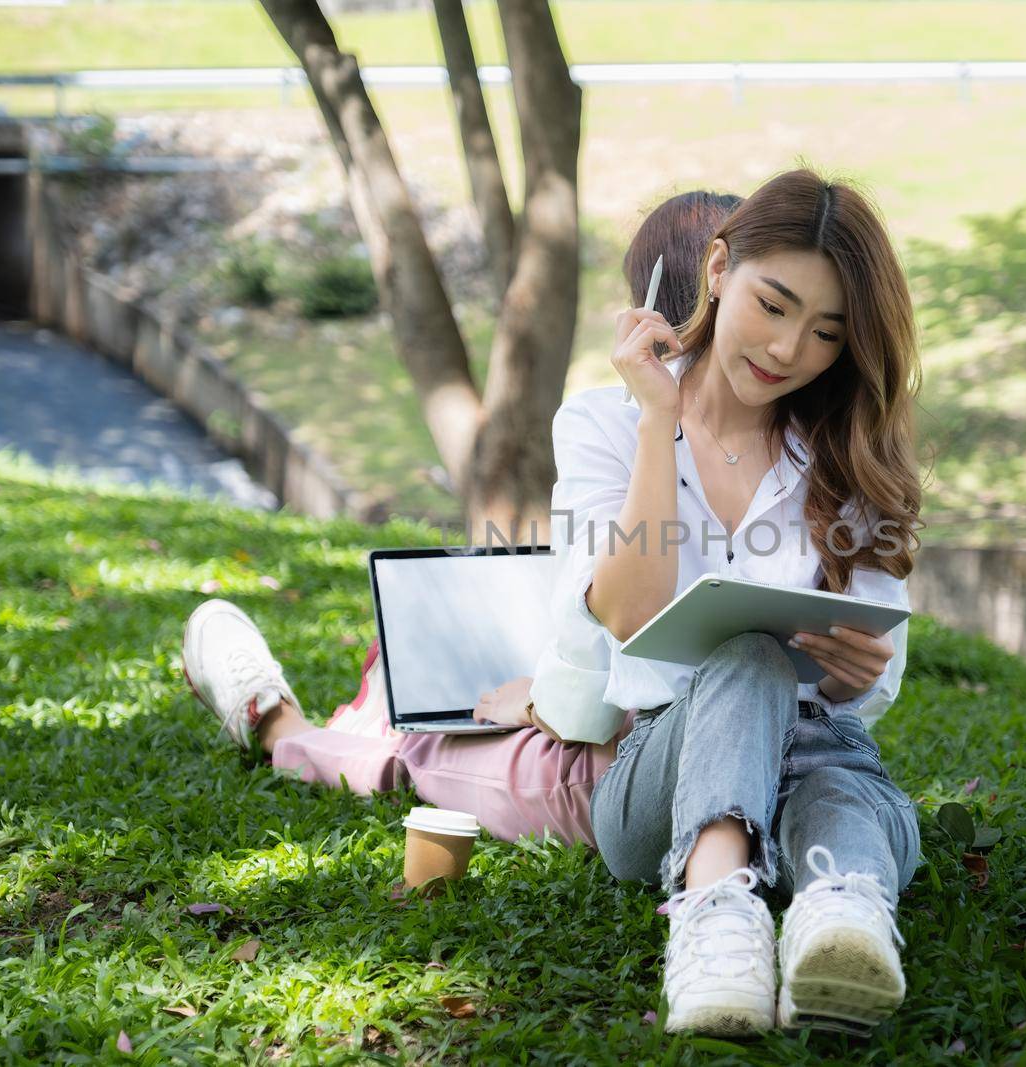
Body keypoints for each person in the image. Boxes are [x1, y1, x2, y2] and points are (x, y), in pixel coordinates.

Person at [179, 190, 744, 850]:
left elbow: (595, 702)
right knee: (481, 666)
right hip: (685, 744)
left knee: (424, 748)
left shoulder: (628, 425)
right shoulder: (747, 431)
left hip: (612, 768)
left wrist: (534, 703)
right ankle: (388, 693)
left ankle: (278, 723)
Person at [561, 168, 924, 1036]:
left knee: (845, 786)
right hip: (663, 768)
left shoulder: (845, 452)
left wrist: (855, 671)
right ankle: (717, 909)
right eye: (775, 303)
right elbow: (625, 610)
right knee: (750, 652)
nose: (789, 348)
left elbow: (877, 675)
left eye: (827, 332)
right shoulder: (602, 423)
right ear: (719, 269)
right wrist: (658, 420)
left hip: (817, 747)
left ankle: (843, 921)